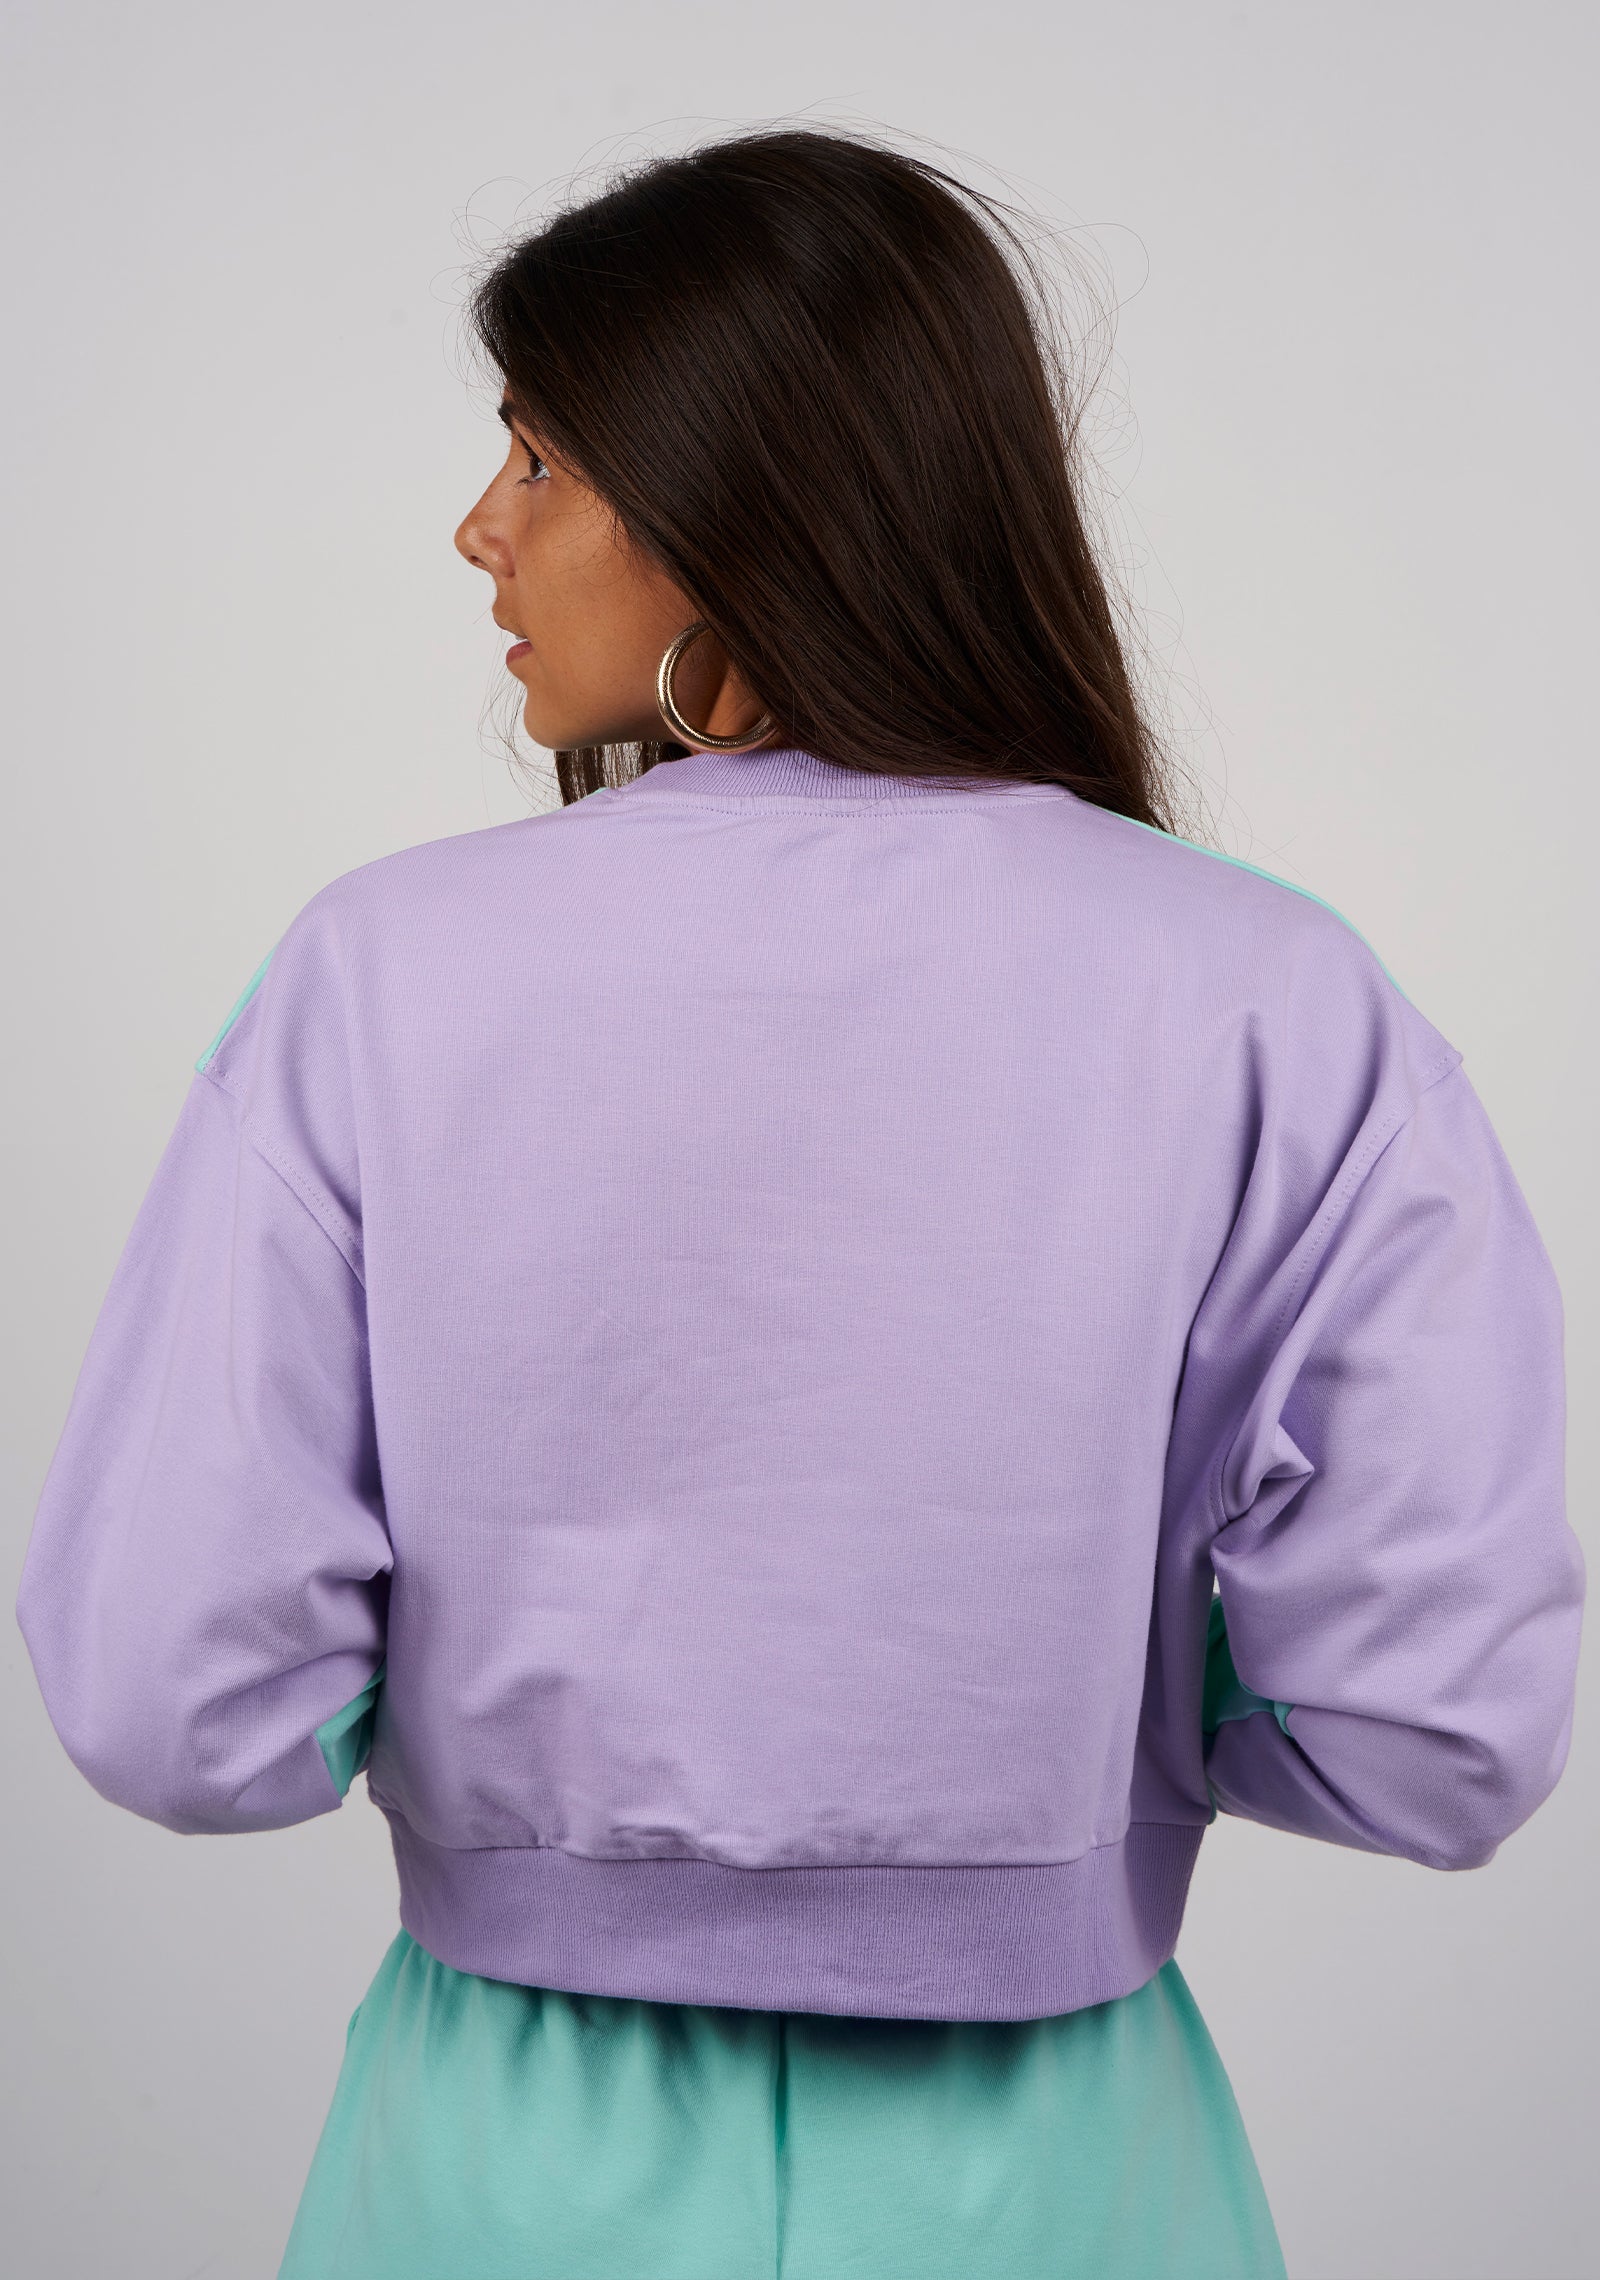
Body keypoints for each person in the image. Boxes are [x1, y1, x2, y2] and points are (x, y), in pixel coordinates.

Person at [15, 126, 1583, 2280]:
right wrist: (1064, 1744)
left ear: (740, 500)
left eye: (542, 458)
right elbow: (1433, 1737)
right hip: (1062, 2176)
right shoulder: (1273, 996)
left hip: (500, 2173)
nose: (479, 527)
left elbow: (170, 1695)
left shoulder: (377, 973)